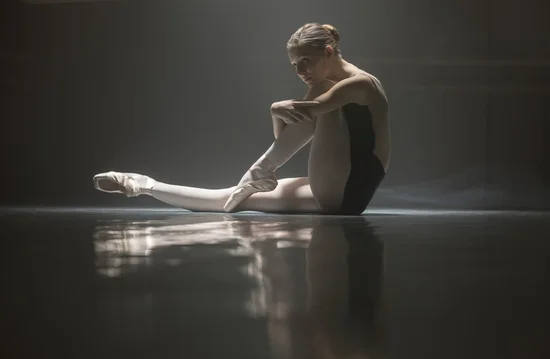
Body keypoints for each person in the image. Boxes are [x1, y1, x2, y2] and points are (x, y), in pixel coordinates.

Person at [93, 23, 391, 215]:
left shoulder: (359, 84)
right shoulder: (324, 88)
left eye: (306, 61)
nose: (300, 70)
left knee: (317, 98)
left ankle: (260, 169)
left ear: (328, 52)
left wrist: (275, 108)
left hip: (350, 183)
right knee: (229, 200)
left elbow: (309, 112)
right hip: (338, 192)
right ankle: (143, 184)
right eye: (294, 64)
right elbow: (284, 135)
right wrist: (277, 114)